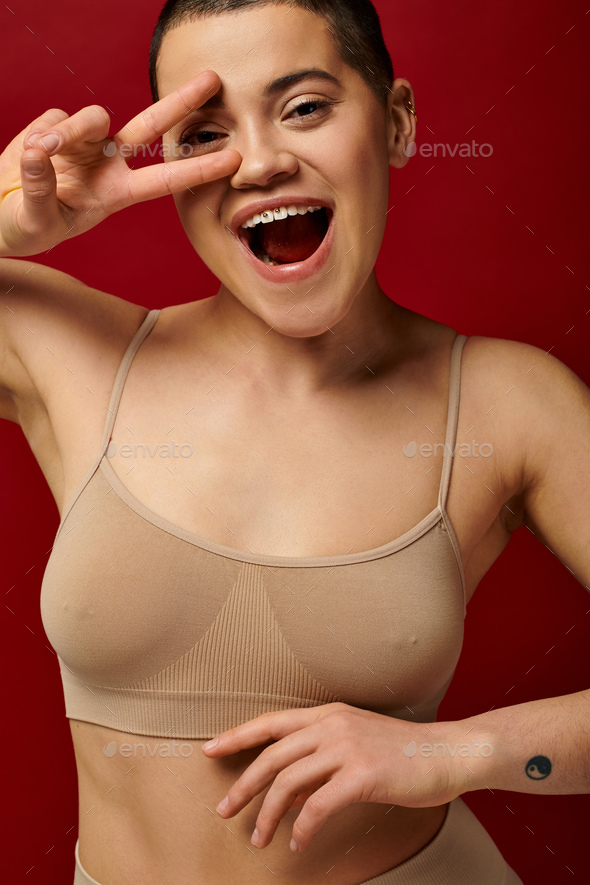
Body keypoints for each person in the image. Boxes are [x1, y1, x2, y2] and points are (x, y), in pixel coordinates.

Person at [1, 0, 588, 882]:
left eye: (305, 106)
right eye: (204, 133)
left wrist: (456, 753)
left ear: (395, 122)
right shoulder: (71, 354)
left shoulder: (510, 403)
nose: (263, 161)